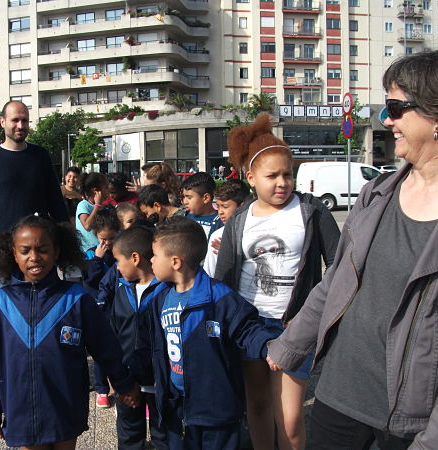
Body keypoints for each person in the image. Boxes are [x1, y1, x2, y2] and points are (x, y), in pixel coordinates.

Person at [267, 47, 438, 450]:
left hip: (409, 417)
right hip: (337, 394)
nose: (386, 120)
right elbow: (336, 282)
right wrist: (291, 344)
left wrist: (437, 441)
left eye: (395, 108)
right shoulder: (376, 193)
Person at [214, 113, 340, 450]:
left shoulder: (311, 210)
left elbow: (339, 265)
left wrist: (318, 316)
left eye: (288, 174)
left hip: (295, 326)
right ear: (251, 178)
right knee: (256, 405)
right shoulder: (240, 219)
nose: (282, 182)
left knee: (290, 418)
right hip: (248, 324)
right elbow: (223, 277)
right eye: (272, 176)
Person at [0, 214, 140, 449]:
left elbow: (105, 347)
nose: (34, 257)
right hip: (21, 410)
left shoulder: (76, 298)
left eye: (43, 249)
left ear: (57, 252)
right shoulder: (0, 303)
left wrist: (123, 383)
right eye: (25, 251)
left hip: (65, 406)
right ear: (13, 254)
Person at [147, 216, 278, 450]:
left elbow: (248, 330)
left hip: (216, 410)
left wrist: (269, 347)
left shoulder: (221, 299)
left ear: (175, 262)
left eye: (155, 255)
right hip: (177, 407)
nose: (151, 260)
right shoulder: (159, 299)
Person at [0, 100, 69, 277]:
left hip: (41, 246)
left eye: (24, 120)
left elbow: (56, 202)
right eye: (15, 120)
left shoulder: (40, 155)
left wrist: (67, 244)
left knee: (47, 293)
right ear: (2, 122)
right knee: (10, 295)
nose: (20, 125)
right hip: (5, 250)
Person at [106, 226, 169, 450]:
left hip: (161, 383)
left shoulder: (167, 290)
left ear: (135, 258)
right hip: (128, 380)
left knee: (165, 436)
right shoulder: (121, 290)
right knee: (129, 437)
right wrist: (116, 379)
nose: (116, 267)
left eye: (118, 260)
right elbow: (113, 336)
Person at [83, 207, 121, 408]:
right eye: (103, 239)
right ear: (96, 235)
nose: (107, 243)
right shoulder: (90, 254)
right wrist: (97, 259)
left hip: (118, 307)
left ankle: (120, 384)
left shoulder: (121, 252)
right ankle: (101, 389)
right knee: (99, 349)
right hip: (98, 308)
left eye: (111, 238)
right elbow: (89, 279)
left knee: (120, 347)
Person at [203, 179, 250, 277]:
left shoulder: (255, 231)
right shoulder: (217, 236)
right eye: (218, 206)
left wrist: (228, 253)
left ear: (242, 206)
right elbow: (210, 274)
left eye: (225, 206)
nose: (220, 212)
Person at [182, 172, 223, 239]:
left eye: (189, 198)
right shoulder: (184, 217)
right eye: (184, 197)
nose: (185, 202)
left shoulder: (221, 221)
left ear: (206, 198)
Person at [75, 172, 109, 252]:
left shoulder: (104, 207)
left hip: (102, 250)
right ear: (95, 191)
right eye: (106, 188)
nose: (108, 191)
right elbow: (87, 226)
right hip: (88, 252)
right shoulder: (83, 205)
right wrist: (97, 206)